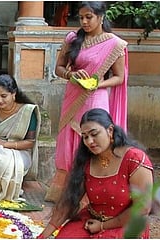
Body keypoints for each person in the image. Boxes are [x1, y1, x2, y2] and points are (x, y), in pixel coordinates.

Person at [46, 1, 129, 202]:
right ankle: (69, 193)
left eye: (89, 17)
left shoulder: (114, 44)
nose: (84, 21)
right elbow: (58, 68)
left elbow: (119, 77)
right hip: (73, 96)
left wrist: (98, 84)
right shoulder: (73, 39)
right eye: (81, 17)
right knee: (70, 142)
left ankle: (92, 194)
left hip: (96, 98)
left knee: (95, 138)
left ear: (101, 17)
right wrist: (71, 75)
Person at [38, 108, 154, 239]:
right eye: (85, 137)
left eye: (94, 134)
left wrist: (103, 226)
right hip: (90, 220)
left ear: (110, 130)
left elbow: (142, 208)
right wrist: (42, 236)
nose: (89, 141)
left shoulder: (134, 159)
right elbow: (68, 203)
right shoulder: (87, 160)